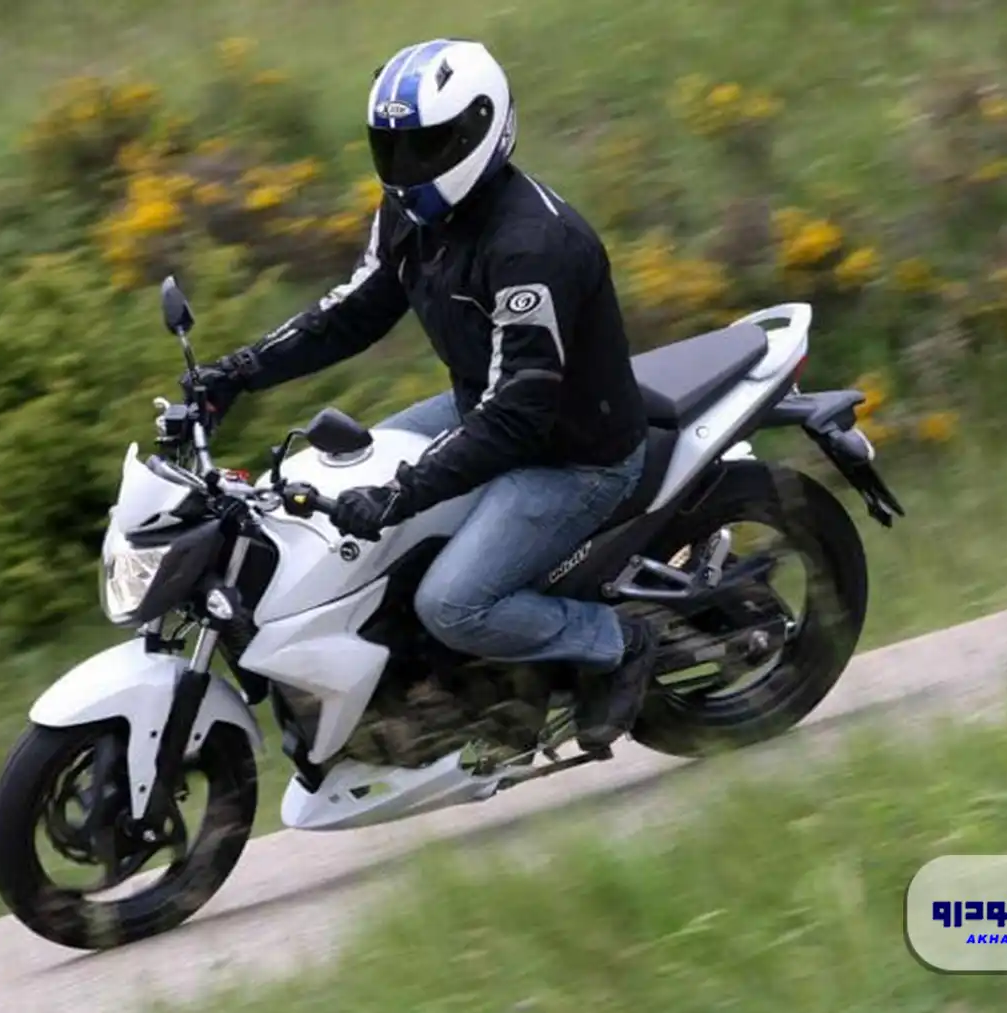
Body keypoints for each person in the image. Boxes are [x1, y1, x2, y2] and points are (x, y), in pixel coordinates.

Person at [180, 38, 657, 752]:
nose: (405, 167)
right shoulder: (411, 214)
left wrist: (402, 493)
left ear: (478, 130)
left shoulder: (532, 247)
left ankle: (618, 640)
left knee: (452, 602)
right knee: (322, 496)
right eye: (392, 147)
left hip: (573, 454)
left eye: (425, 145)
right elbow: (352, 312)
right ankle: (436, 689)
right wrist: (237, 373)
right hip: (482, 413)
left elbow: (519, 414)